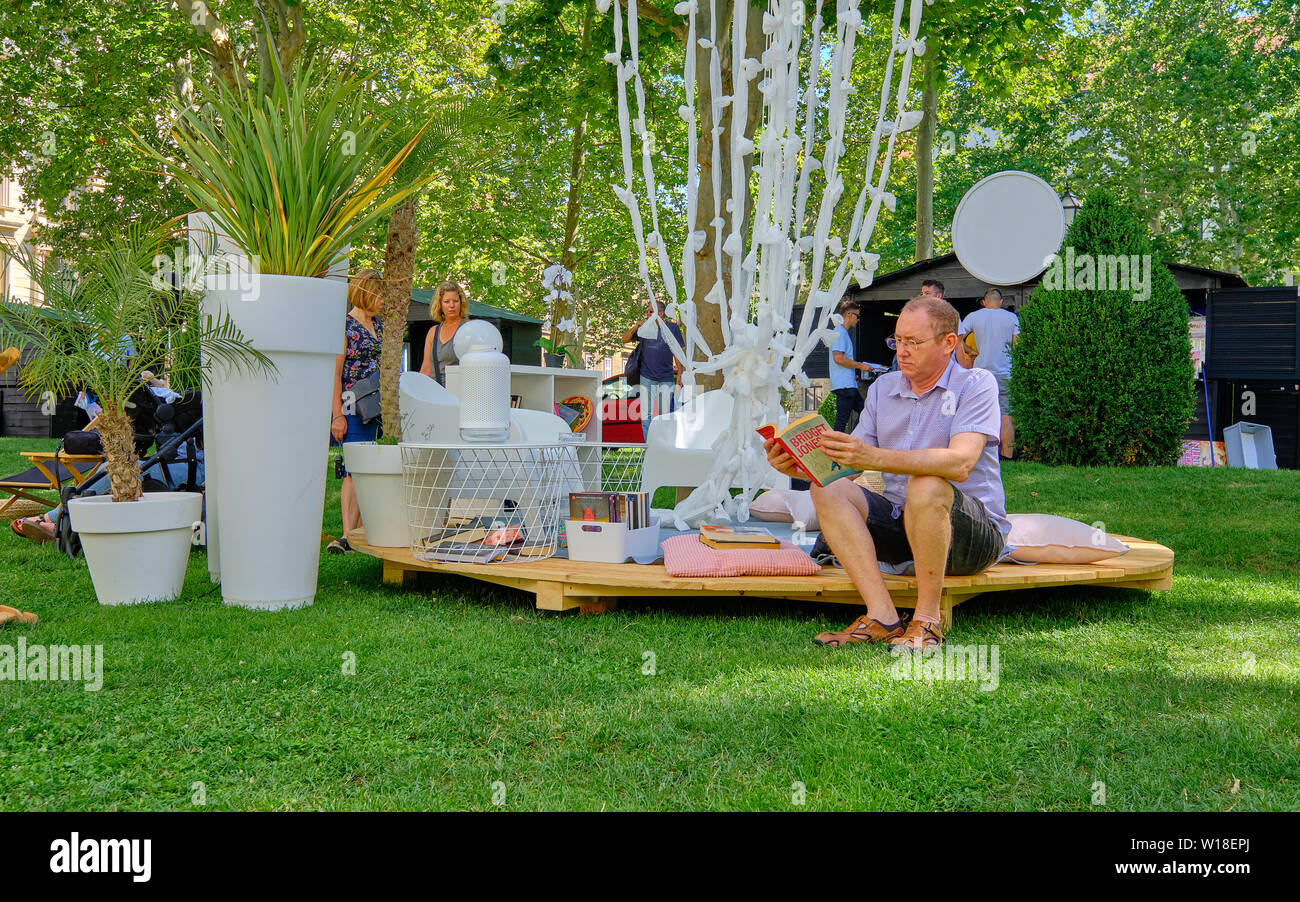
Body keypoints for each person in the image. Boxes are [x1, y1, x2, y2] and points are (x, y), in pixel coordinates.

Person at [766, 294, 1010, 650]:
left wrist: (874, 457)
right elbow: (846, 468)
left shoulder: (976, 384)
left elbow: (960, 463)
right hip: (904, 525)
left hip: (970, 536)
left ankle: (927, 622)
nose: (902, 350)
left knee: (926, 483)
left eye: (913, 341)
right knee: (826, 490)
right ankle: (882, 617)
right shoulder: (883, 389)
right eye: (897, 340)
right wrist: (799, 466)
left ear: (948, 343)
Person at [328, 270, 385, 555]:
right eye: (379, 295)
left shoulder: (381, 326)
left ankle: (363, 532)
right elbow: (334, 374)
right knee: (352, 472)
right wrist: (337, 415)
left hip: (378, 409)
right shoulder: (344, 327)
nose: (383, 301)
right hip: (351, 407)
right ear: (365, 293)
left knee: (371, 471)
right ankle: (347, 536)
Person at [957, 287, 1019, 459]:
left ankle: (981, 455)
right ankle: (1007, 454)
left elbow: (957, 339)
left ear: (984, 302)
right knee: (1006, 413)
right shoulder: (1012, 317)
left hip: (981, 374)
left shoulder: (974, 316)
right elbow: (1017, 345)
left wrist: (971, 351)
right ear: (1001, 302)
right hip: (1006, 373)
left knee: (980, 413)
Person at [621, 300, 684, 439]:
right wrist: (635, 327)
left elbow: (677, 352)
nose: (647, 314)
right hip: (646, 376)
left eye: (650, 311)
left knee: (665, 415)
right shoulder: (644, 328)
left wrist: (680, 372)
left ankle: (664, 445)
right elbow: (624, 340)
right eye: (647, 311)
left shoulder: (672, 328)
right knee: (645, 415)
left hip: (666, 376)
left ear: (660, 314)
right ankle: (649, 447)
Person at [828, 301, 873, 433]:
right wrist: (861, 366)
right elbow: (838, 358)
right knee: (841, 422)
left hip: (848, 385)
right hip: (844, 385)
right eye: (857, 316)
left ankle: (854, 438)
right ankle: (837, 449)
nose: (858, 319)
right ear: (849, 314)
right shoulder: (839, 332)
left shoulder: (843, 333)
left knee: (866, 411)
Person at [419, 281, 469, 387]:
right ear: (440, 304)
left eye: (455, 301)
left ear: (461, 303)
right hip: (434, 393)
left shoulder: (468, 328)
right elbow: (426, 369)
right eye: (446, 301)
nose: (451, 305)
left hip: (459, 394)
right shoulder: (433, 332)